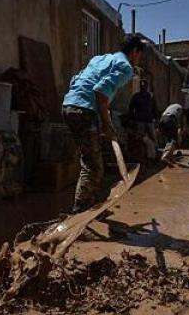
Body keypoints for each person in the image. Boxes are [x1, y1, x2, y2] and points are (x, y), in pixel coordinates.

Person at [62, 35, 145, 213]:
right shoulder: (125, 67)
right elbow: (100, 92)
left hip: (69, 105)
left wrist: (103, 115)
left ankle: (90, 205)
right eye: (139, 56)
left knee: (90, 158)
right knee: (93, 166)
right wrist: (107, 125)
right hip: (84, 110)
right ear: (135, 52)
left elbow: (75, 80)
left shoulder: (100, 58)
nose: (138, 60)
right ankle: (79, 214)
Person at [129, 79, 157, 160]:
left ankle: (153, 156)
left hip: (149, 121)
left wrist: (155, 118)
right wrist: (132, 119)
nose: (143, 87)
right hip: (140, 121)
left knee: (153, 138)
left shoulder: (151, 96)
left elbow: (155, 108)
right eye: (142, 85)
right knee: (141, 139)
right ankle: (142, 157)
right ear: (140, 86)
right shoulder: (136, 96)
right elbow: (131, 108)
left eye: (145, 85)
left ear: (147, 86)